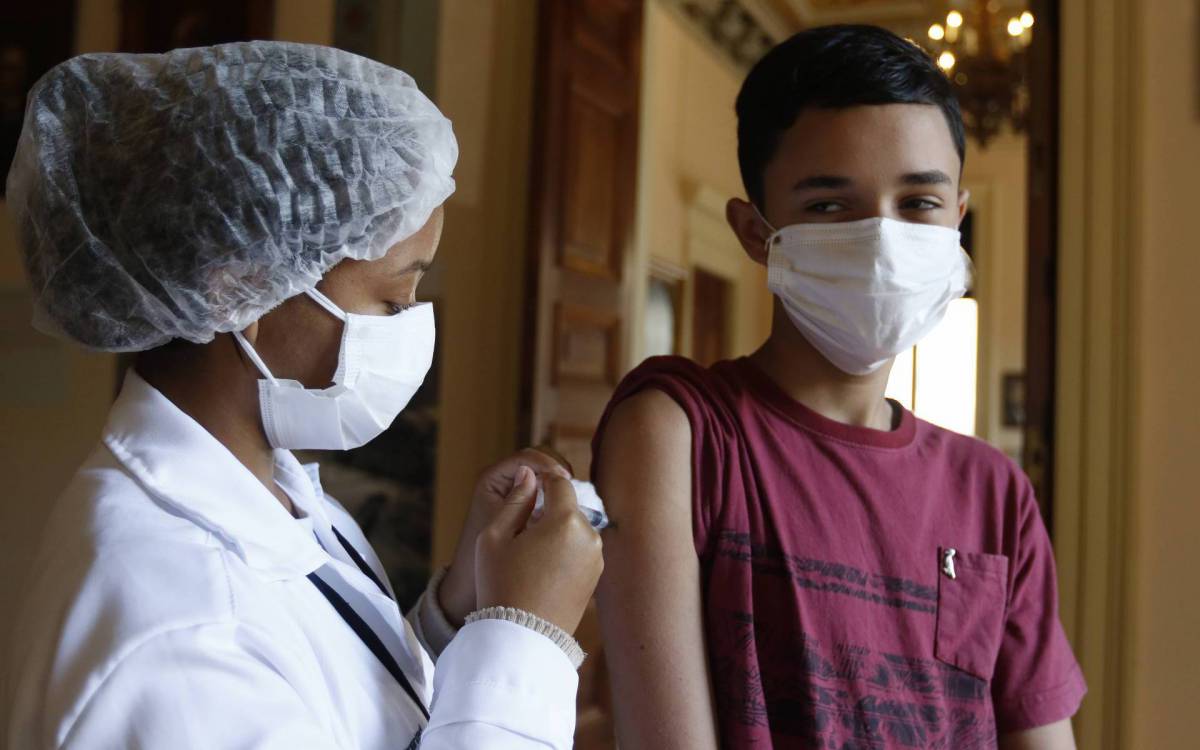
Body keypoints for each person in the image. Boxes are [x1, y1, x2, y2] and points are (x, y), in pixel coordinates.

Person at [3, 41, 602, 749]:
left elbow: (342, 707)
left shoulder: (278, 489)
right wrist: (523, 638)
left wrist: (460, 607)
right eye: (393, 298)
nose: (410, 328)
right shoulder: (179, 637)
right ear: (237, 286)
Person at [592, 25, 1086, 750]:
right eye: (829, 206)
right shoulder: (684, 434)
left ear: (958, 218)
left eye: (918, 202)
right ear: (756, 232)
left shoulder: (996, 495)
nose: (882, 242)